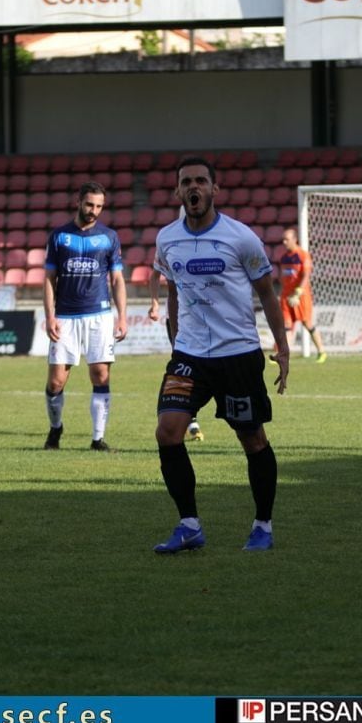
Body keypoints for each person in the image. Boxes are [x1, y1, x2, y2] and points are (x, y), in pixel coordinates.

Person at [151, 156, 289, 553]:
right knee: (168, 430)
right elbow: (174, 289)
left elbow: (267, 292)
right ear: (178, 192)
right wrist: (175, 339)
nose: (193, 188)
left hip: (238, 354)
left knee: (253, 439)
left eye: (200, 181)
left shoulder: (241, 237)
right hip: (190, 354)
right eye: (186, 183)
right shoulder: (167, 238)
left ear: (214, 189)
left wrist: (281, 347)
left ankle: (263, 526)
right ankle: (189, 524)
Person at [42, 181, 128, 451]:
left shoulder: (109, 237)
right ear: (78, 201)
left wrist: (122, 316)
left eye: (99, 206)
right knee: (56, 381)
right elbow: (48, 279)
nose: (94, 210)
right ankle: (56, 429)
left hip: (99, 315)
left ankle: (97, 438)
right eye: (90, 204)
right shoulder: (58, 237)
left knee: (101, 376)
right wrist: (49, 315)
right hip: (65, 316)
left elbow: (116, 279)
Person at [148, 269, 204, 441]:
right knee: (183, 365)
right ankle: (191, 420)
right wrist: (155, 303)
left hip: (201, 316)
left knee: (204, 367)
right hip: (176, 317)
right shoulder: (169, 244)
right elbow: (155, 275)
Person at [273, 226, 327, 363]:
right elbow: (283, 277)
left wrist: (299, 292)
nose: (284, 242)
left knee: (307, 323)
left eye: (287, 239)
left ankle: (322, 351)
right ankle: (281, 355)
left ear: (295, 240)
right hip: (286, 295)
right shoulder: (284, 257)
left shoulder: (303, 255)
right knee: (285, 325)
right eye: (283, 240)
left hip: (301, 295)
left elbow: (306, 275)